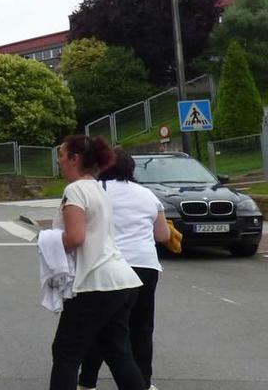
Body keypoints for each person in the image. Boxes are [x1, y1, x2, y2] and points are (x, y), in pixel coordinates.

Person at [49, 135, 144, 390]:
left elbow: (76, 237)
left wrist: (48, 242)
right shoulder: (98, 188)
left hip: (94, 282)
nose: (59, 160)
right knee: (118, 353)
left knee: (66, 352)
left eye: (62, 154)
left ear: (74, 158)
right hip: (123, 281)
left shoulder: (75, 189)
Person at [78, 148, 170, 390]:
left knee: (101, 324)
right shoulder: (148, 195)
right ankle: (144, 381)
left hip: (110, 265)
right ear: (131, 169)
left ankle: (87, 381)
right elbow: (163, 235)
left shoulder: (97, 192)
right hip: (146, 266)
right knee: (142, 327)